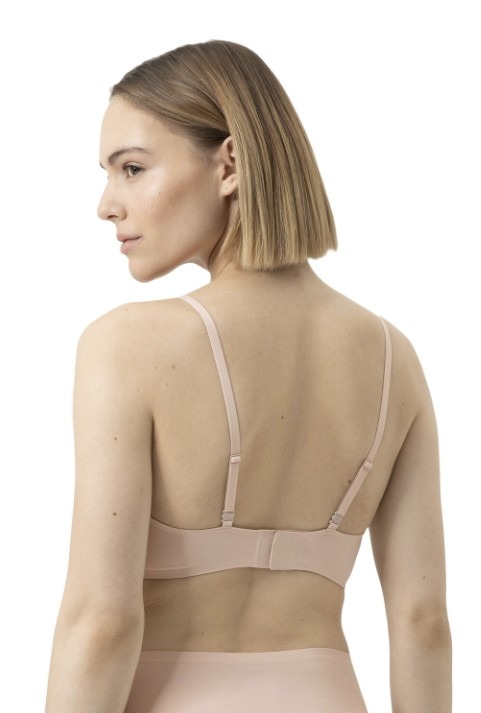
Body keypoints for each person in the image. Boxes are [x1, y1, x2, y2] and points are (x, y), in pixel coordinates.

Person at [45, 40, 451, 712]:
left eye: (133, 168)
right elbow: (422, 621)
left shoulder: (129, 344)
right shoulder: (392, 357)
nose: (107, 205)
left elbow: (102, 622)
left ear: (229, 165)